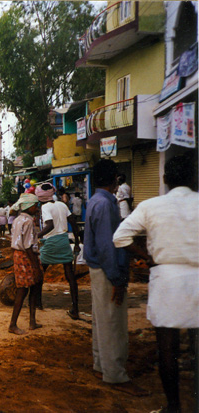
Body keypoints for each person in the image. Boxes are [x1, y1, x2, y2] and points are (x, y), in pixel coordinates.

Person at [113, 155, 198, 412]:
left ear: (164, 179)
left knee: (167, 347)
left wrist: (145, 256)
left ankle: (174, 406)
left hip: (166, 279)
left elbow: (120, 237)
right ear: (194, 178)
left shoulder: (151, 206)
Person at [84, 159, 148, 396]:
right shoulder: (106, 204)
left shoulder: (96, 201)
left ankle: (102, 365)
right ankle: (115, 375)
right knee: (113, 322)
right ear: (115, 180)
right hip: (106, 269)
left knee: (102, 320)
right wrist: (117, 280)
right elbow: (107, 247)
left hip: (99, 268)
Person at [36, 183, 81, 319]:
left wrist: (36, 235)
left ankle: (38, 303)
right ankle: (75, 308)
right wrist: (77, 242)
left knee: (39, 273)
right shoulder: (62, 205)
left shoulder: (45, 207)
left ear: (40, 197)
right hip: (63, 241)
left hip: (50, 242)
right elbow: (73, 222)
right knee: (70, 276)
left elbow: (49, 225)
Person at [8, 193, 43, 335]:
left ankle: (32, 321)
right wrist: (35, 265)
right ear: (29, 207)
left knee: (32, 286)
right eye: (35, 206)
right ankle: (13, 324)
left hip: (19, 255)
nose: (37, 208)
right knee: (24, 289)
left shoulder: (17, 220)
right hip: (26, 256)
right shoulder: (28, 222)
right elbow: (28, 245)